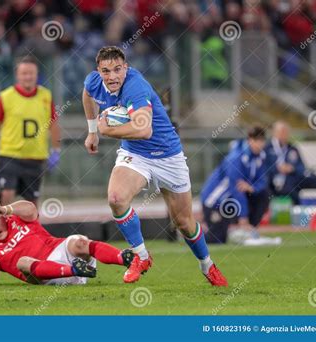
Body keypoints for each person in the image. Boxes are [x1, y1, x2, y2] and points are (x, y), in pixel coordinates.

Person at [82, 46, 227, 286]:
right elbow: (87, 94)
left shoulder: (135, 87)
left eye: (117, 69)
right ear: (98, 71)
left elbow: (144, 129)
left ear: (125, 68)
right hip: (136, 155)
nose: (112, 76)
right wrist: (92, 132)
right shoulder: (93, 82)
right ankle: (141, 256)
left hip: (168, 156)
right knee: (116, 198)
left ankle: (207, 265)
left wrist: (106, 129)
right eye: (106, 71)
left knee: (184, 222)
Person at [0, 197, 134, 285]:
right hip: (49, 276)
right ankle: (76, 269)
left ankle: (125, 259)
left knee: (78, 241)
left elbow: (30, 208)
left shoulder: (17, 217)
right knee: (22, 263)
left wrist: (7, 209)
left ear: (4, 215)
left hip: (61, 252)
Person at [0, 55, 61, 205]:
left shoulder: (46, 96)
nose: (28, 77)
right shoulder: (6, 97)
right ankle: (6, 228)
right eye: (24, 73)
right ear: (17, 75)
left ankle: (30, 228)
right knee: (6, 195)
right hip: (10, 156)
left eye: (31, 73)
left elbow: (54, 124)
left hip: (36, 158)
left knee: (32, 203)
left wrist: (56, 150)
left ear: (37, 75)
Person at [200, 126, 280, 246]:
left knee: (264, 194)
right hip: (215, 201)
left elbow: (263, 180)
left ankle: (249, 230)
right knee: (217, 239)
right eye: (257, 141)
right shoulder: (235, 158)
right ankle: (193, 234)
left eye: (262, 141)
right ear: (250, 140)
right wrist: (243, 217)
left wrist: (252, 187)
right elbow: (236, 188)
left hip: (232, 200)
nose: (260, 144)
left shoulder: (260, 157)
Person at [265, 121, 316, 205]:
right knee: (288, 189)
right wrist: (277, 168)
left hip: (292, 179)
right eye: (281, 131)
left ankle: (305, 211)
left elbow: (301, 168)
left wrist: (291, 168)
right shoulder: (266, 148)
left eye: (285, 132)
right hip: (273, 182)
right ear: (274, 132)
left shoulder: (292, 149)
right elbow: (262, 168)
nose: (284, 134)